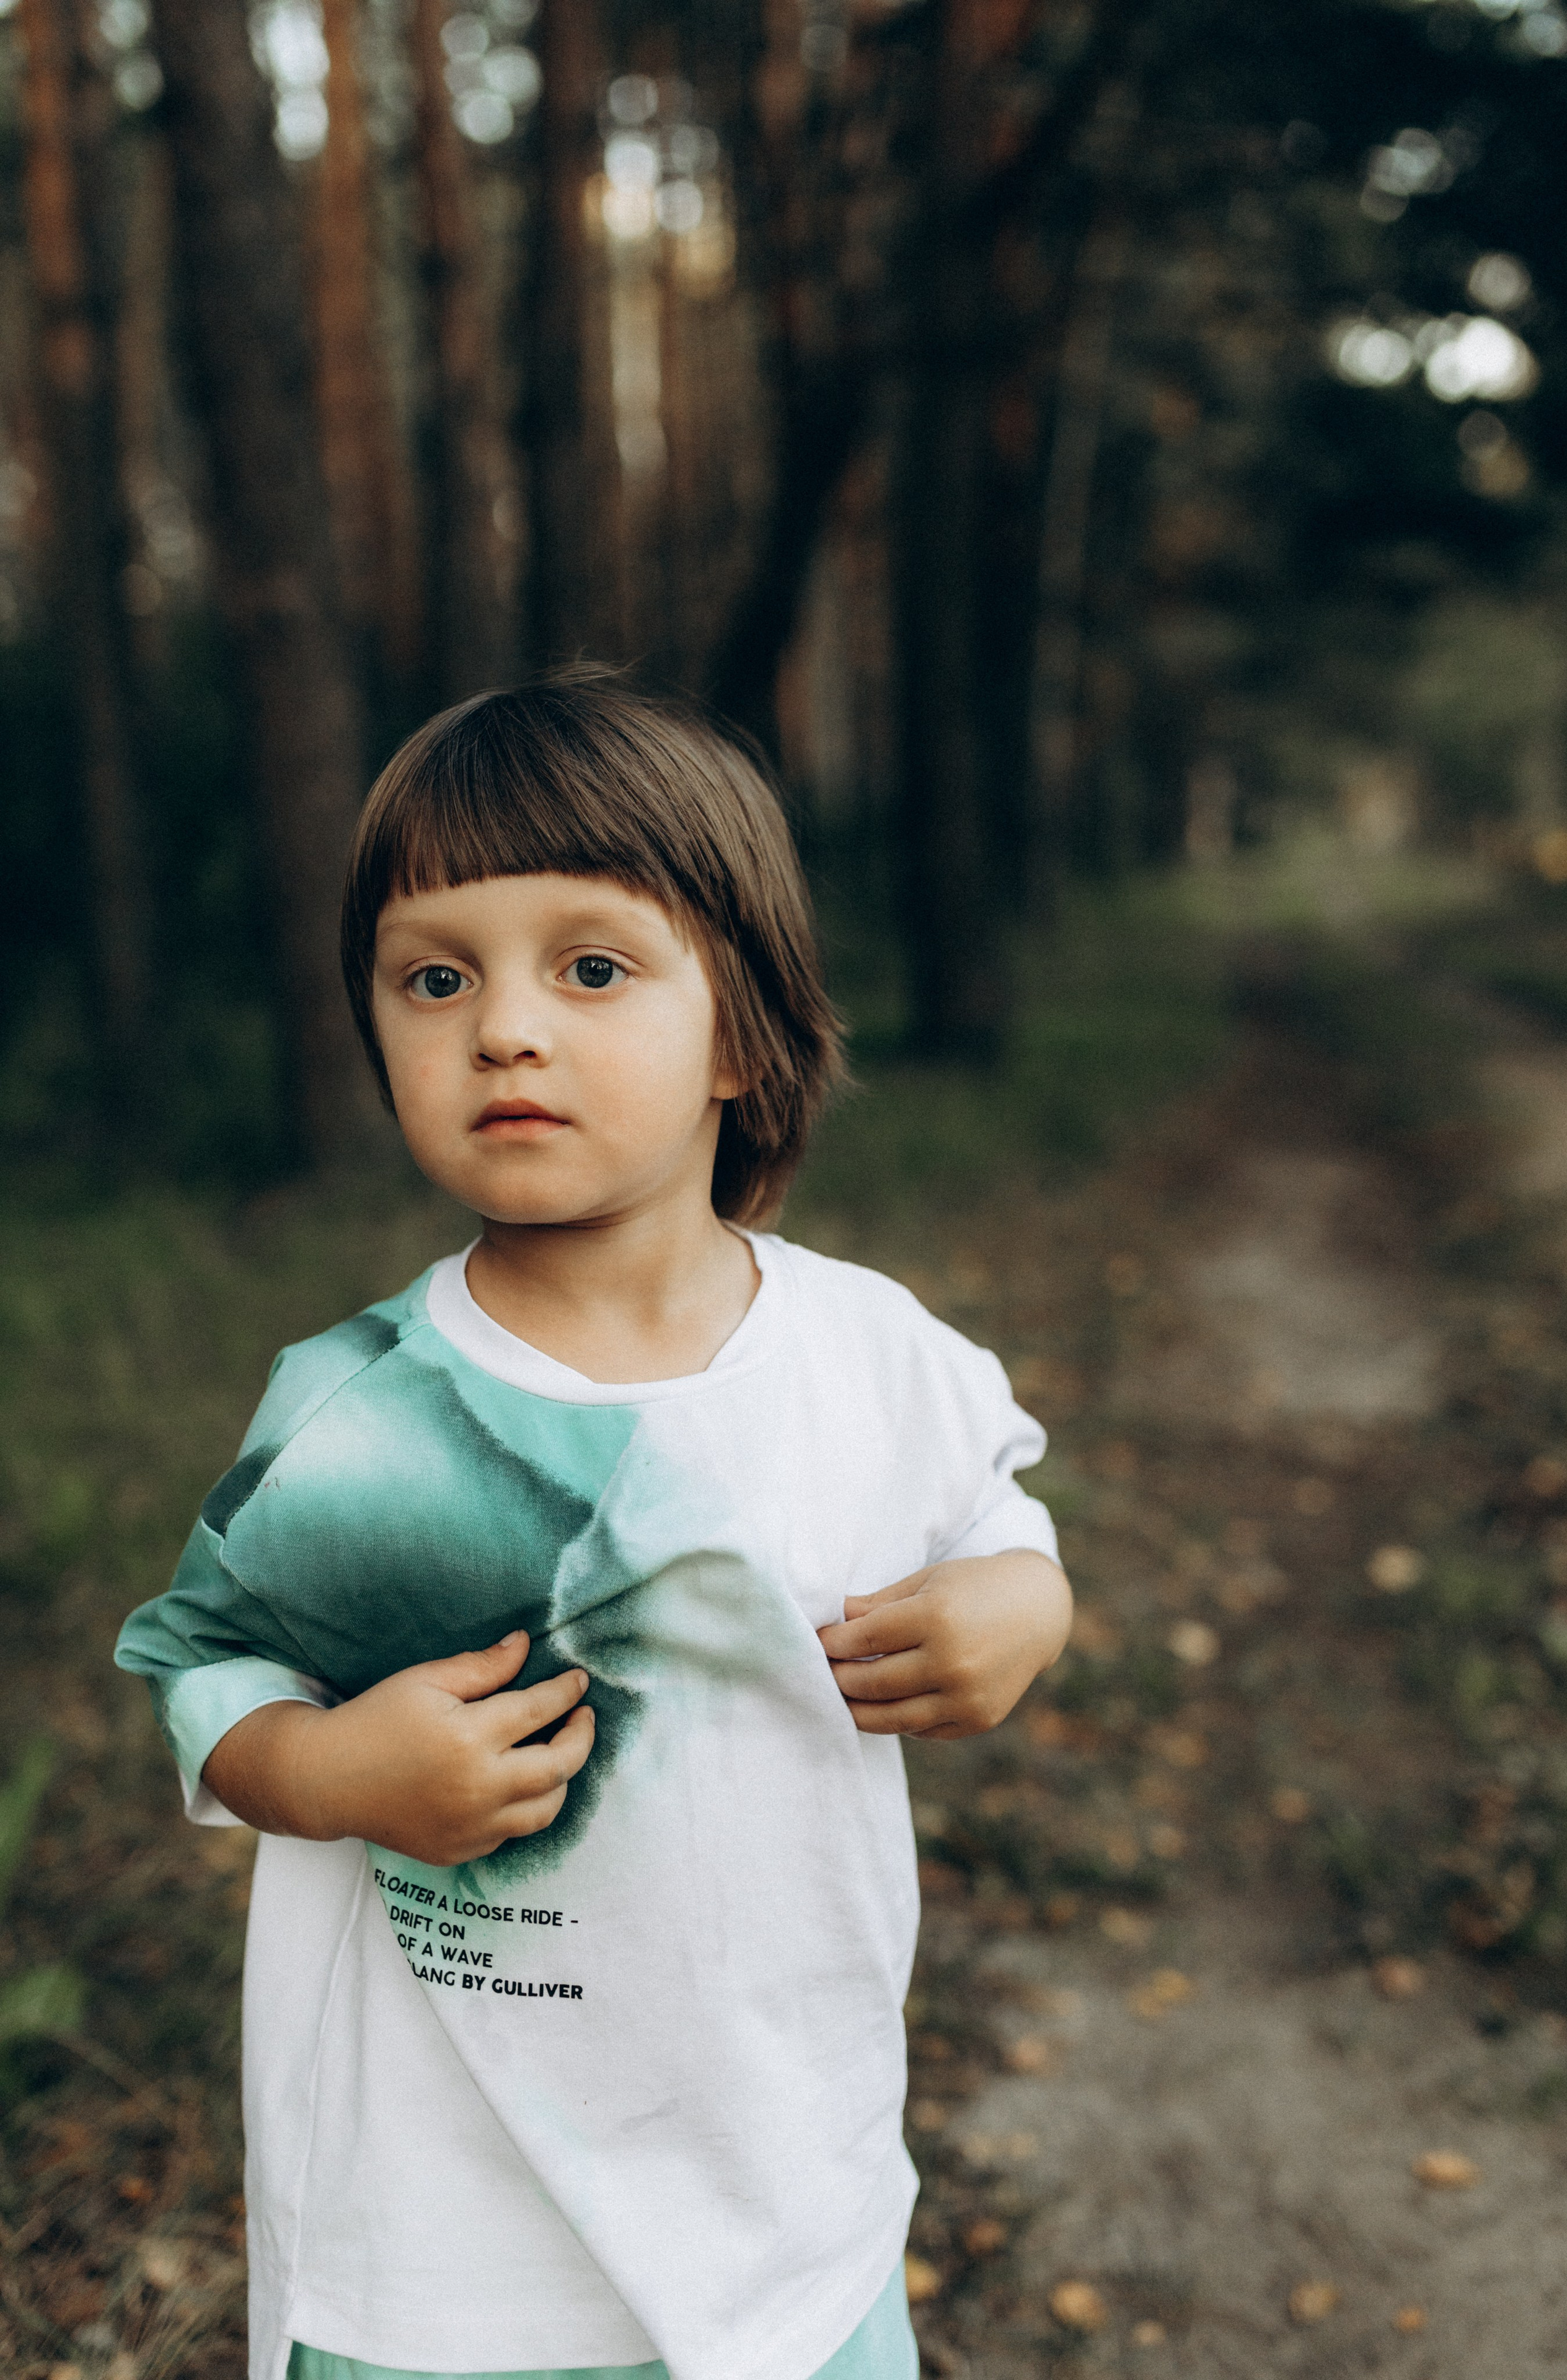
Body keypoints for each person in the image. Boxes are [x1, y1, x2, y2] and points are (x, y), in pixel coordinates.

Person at [115, 671, 1072, 2380]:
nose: (503, 1028)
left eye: (594, 967)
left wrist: (1021, 1602)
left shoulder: (870, 1352)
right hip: (444, 2261)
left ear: (746, 1031)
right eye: (434, 977)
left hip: (793, 2207)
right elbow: (202, 1667)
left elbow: (995, 1505)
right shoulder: (368, 1411)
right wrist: (331, 1776)